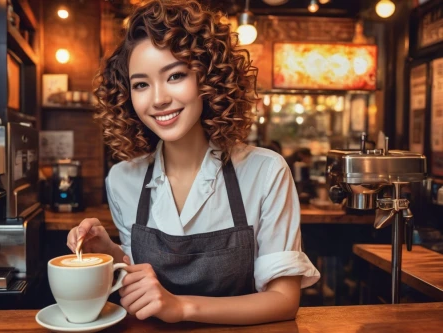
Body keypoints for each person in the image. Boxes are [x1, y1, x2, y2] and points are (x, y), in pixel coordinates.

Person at [67, 0, 319, 325]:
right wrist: (110, 252)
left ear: (208, 78)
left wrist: (182, 307)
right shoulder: (122, 179)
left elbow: (283, 301)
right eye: (141, 84)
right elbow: (140, 279)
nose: (158, 98)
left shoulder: (266, 172)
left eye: (175, 75)